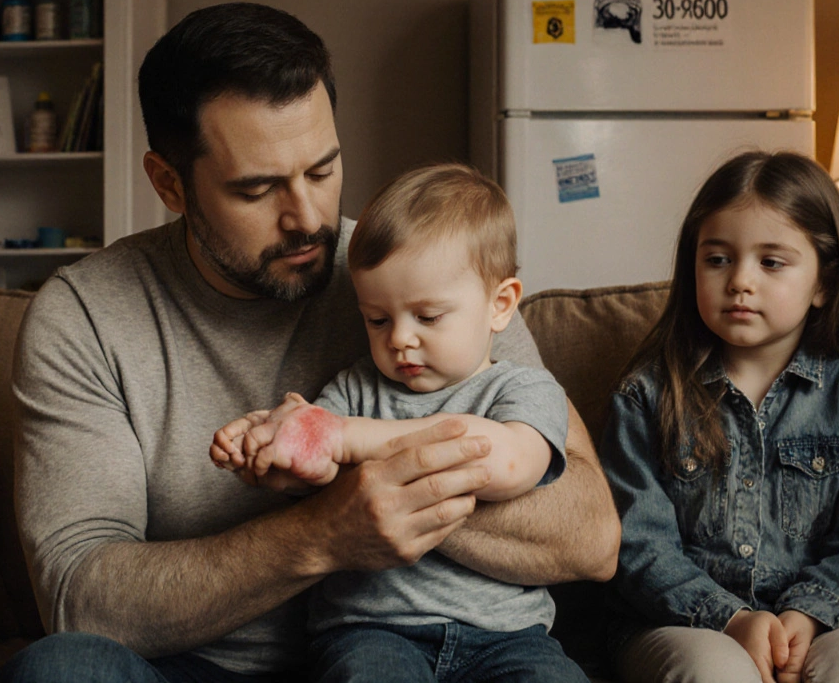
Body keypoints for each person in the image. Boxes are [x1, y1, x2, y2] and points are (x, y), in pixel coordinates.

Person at [0, 2, 619, 683]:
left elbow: (590, 537)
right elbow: (79, 596)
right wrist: (320, 534)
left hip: (412, 657)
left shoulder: (415, 279)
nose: (307, 218)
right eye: (258, 189)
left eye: (322, 170)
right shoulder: (86, 317)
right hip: (202, 669)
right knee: (61, 670)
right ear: (170, 183)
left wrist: (363, 472)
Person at [211, 163, 590, 681]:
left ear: (500, 305)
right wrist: (274, 446)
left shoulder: (523, 389)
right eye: (378, 319)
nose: (400, 339)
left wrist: (344, 437)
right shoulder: (354, 390)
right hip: (371, 629)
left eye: (428, 317)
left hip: (506, 637)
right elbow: (320, 473)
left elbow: (503, 462)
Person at [599, 151, 839, 683]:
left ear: (823, 283)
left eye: (771, 262)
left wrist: (807, 613)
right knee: (717, 674)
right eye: (717, 259)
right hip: (680, 622)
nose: (740, 280)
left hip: (822, 619)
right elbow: (637, 544)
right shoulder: (646, 395)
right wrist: (730, 618)